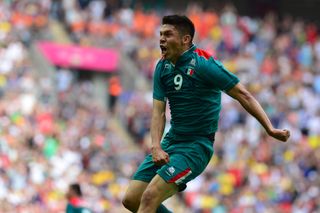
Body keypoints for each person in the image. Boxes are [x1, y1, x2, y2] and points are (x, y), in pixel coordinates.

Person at [122, 15, 290, 213]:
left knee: (150, 196)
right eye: (160, 34)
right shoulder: (162, 67)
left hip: (196, 147)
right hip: (171, 141)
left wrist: (269, 128)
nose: (161, 39)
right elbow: (158, 112)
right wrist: (156, 146)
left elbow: (243, 94)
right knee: (131, 199)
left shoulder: (204, 64)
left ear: (185, 39)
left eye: (168, 34)